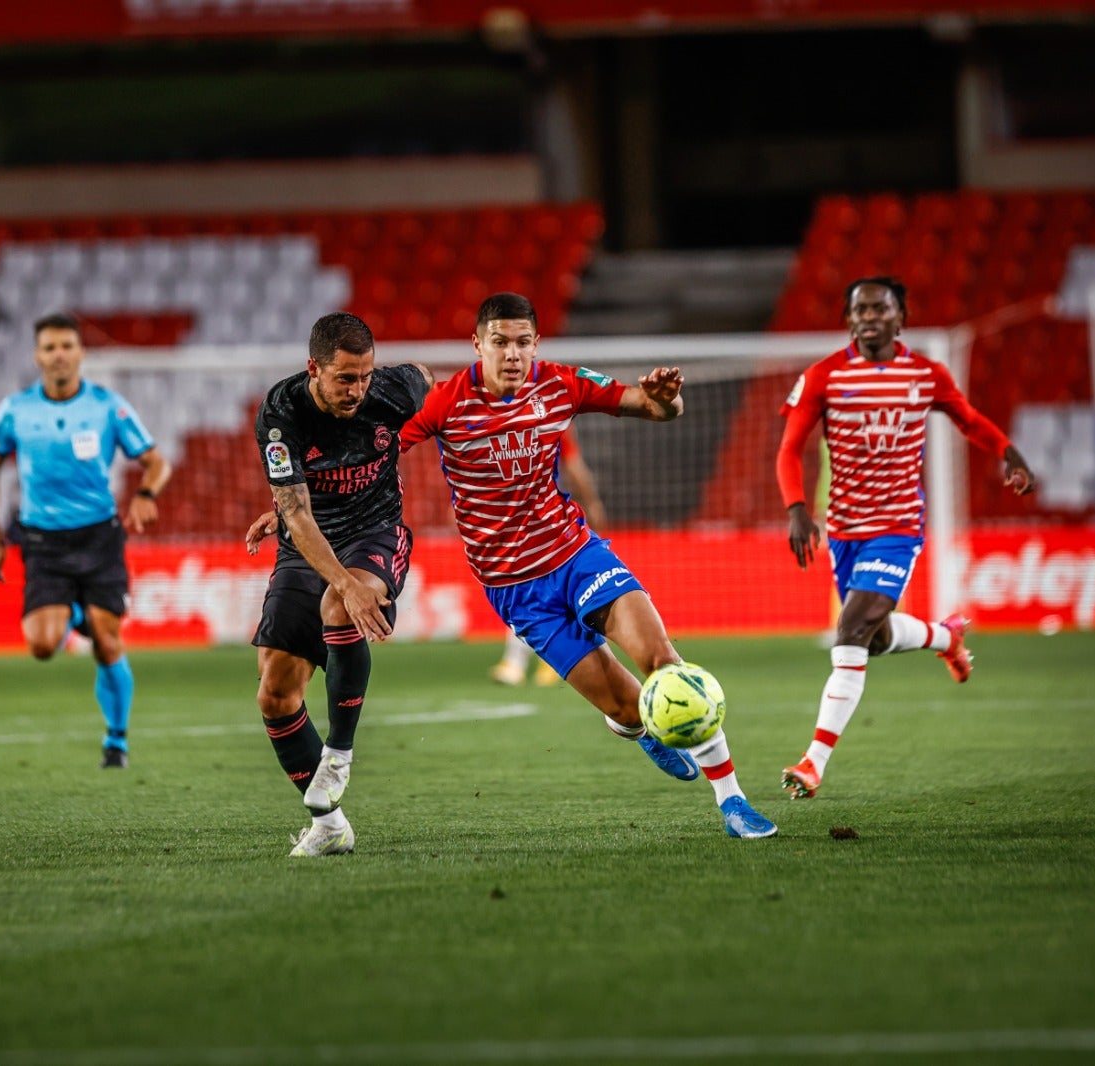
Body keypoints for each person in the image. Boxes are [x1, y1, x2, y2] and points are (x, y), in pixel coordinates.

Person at [398, 291, 779, 840]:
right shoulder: (445, 403)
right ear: (477, 343)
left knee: (666, 663)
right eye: (500, 342)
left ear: (536, 344)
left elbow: (652, 407)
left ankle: (734, 802)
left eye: (522, 342)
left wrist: (666, 400)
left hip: (577, 555)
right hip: (516, 590)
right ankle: (635, 726)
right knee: (629, 708)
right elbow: (379, 457)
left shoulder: (558, 382)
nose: (512, 354)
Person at [776, 276, 1036, 800]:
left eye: (880, 308)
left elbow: (968, 420)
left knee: (849, 633)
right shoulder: (823, 375)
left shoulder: (926, 374)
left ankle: (814, 761)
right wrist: (797, 509)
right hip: (846, 528)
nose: (869, 317)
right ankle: (946, 637)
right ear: (848, 319)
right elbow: (788, 449)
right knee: (869, 638)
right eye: (859, 310)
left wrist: (1007, 450)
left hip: (897, 528)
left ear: (902, 317)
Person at [244, 312, 432, 858]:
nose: (358, 390)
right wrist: (285, 512)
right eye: (345, 378)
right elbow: (299, 516)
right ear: (314, 369)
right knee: (275, 692)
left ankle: (340, 752)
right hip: (310, 542)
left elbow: (436, 392)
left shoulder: (396, 389)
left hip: (376, 529)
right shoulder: (281, 415)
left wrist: (350, 585)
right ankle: (328, 824)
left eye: (365, 376)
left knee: (340, 603)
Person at [0, 312, 171, 769]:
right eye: (50, 347)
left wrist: (145, 494)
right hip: (43, 542)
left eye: (67, 345)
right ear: (37, 355)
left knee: (107, 641)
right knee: (42, 646)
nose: (59, 354)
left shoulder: (108, 405)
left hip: (99, 537)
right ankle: (77, 611)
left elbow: (156, 463)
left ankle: (116, 741)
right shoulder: (16, 409)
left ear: (80, 352)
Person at [489, 427, 606, 688]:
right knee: (525, 585)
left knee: (542, 585)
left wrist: (592, 501)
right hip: (518, 520)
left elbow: (573, 465)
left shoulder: (551, 420)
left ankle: (545, 659)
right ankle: (519, 661)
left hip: (549, 519)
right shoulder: (509, 422)